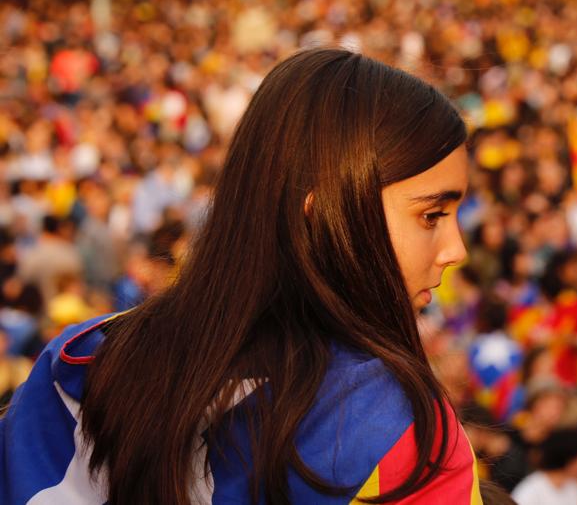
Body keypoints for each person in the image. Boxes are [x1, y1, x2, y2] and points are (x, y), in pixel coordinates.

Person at [0, 49, 482, 504]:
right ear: (324, 214)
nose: (455, 250)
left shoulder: (77, 361)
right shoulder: (402, 435)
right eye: (432, 215)